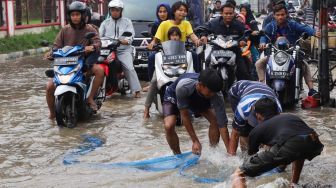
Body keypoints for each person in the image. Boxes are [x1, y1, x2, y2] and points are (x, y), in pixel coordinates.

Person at [232, 97, 324, 188]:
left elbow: (251, 155)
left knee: (240, 172)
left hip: (292, 143)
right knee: (299, 153)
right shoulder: (291, 117)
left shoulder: (256, 130)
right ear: (277, 111)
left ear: (258, 115)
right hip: (313, 141)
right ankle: (293, 184)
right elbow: (299, 143)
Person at [46, 1, 103, 118]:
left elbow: (98, 42)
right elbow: (56, 46)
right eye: (73, 15)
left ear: (83, 16)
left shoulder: (90, 28)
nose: (75, 17)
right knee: (49, 86)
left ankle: (90, 97)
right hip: (65, 64)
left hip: (84, 63)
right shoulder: (64, 30)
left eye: (77, 14)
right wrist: (51, 53)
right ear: (69, 16)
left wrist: (92, 46)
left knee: (100, 70)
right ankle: (52, 113)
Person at [256, 4, 320, 97]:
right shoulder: (271, 26)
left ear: (286, 15)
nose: (280, 17)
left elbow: (304, 28)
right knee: (259, 64)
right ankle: (262, 85)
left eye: (282, 14)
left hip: (291, 53)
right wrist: (262, 43)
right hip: (274, 54)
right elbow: (264, 36)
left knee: (304, 65)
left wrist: (314, 32)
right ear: (274, 15)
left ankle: (311, 89)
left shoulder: (292, 24)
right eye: (278, 15)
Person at [162, 69, 230, 155]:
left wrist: (230, 152)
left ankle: (213, 151)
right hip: (175, 95)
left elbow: (223, 125)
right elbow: (185, 116)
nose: (213, 95)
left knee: (215, 120)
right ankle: (177, 154)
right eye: (210, 92)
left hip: (199, 98)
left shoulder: (216, 94)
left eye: (214, 92)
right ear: (200, 85)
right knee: (169, 126)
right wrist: (195, 141)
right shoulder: (183, 86)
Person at [99, 0, 142, 98]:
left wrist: (125, 40)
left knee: (129, 68)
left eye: (117, 10)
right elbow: (99, 35)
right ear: (110, 11)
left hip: (123, 50)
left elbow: (130, 35)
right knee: (98, 64)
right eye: (113, 10)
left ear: (121, 11)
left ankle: (136, 90)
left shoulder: (127, 22)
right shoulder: (105, 23)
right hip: (107, 50)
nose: (115, 12)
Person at [227, 80, 282, 155]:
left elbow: (276, 135)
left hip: (263, 91)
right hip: (237, 91)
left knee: (266, 132)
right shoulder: (243, 107)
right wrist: (231, 159)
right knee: (244, 130)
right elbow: (235, 134)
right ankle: (245, 155)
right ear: (257, 116)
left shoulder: (277, 109)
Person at [201, 3, 251, 82]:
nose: (228, 15)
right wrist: (203, 36)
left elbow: (246, 32)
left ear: (234, 13)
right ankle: (208, 85)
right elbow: (204, 28)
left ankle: (242, 88)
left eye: (230, 13)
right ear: (222, 13)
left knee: (243, 70)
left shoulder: (238, 24)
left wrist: (243, 40)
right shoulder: (214, 23)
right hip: (217, 49)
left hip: (234, 50)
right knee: (207, 62)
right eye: (226, 13)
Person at [143, 26, 182, 119]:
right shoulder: (163, 47)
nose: (175, 37)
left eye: (177, 35)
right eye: (172, 35)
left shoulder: (184, 47)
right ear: (169, 37)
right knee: (154, 81)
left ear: (180, 37)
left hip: (180, 70)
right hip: (164, 70)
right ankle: (146, 109)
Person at [144, 3, 171, 92]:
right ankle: (152, 84)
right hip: (161, 49)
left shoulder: (173, 22)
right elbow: (154, 39)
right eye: (160, 12)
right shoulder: (156, 24)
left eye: (164, 11)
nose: (162, 14)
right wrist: (152, 45)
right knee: (151, 57)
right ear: (157, 13)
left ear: (169, 12)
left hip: (174, 50)